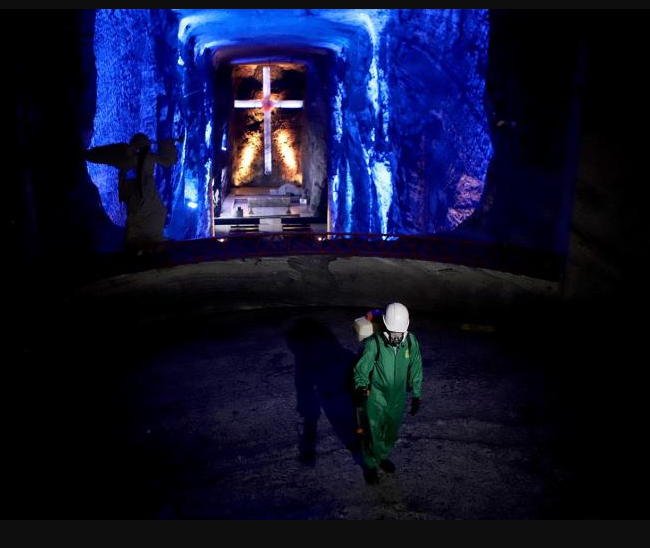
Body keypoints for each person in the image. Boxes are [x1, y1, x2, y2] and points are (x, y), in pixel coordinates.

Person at [352, 302, 423, 484]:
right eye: (393, 333)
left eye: (399, 334)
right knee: (373, 433)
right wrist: (361, 387)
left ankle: (382, 457)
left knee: (391, 432)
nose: (396, 338)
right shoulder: (374, 343)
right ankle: (371, 464)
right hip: (377, 398)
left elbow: (416, 366)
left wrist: (416, 394)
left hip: (398, 398)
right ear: (385, 326)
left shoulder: (410, 342)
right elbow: (362, 369)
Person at [85, 132, 178, 250]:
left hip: (143, 193)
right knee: (145, 218)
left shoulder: (137, 158)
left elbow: (113, 159)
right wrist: (168, 146)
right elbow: (169, 160)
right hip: (145, 193)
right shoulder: (144, 158)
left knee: (144, 219)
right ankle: (145, 242)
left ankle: (141, 242)